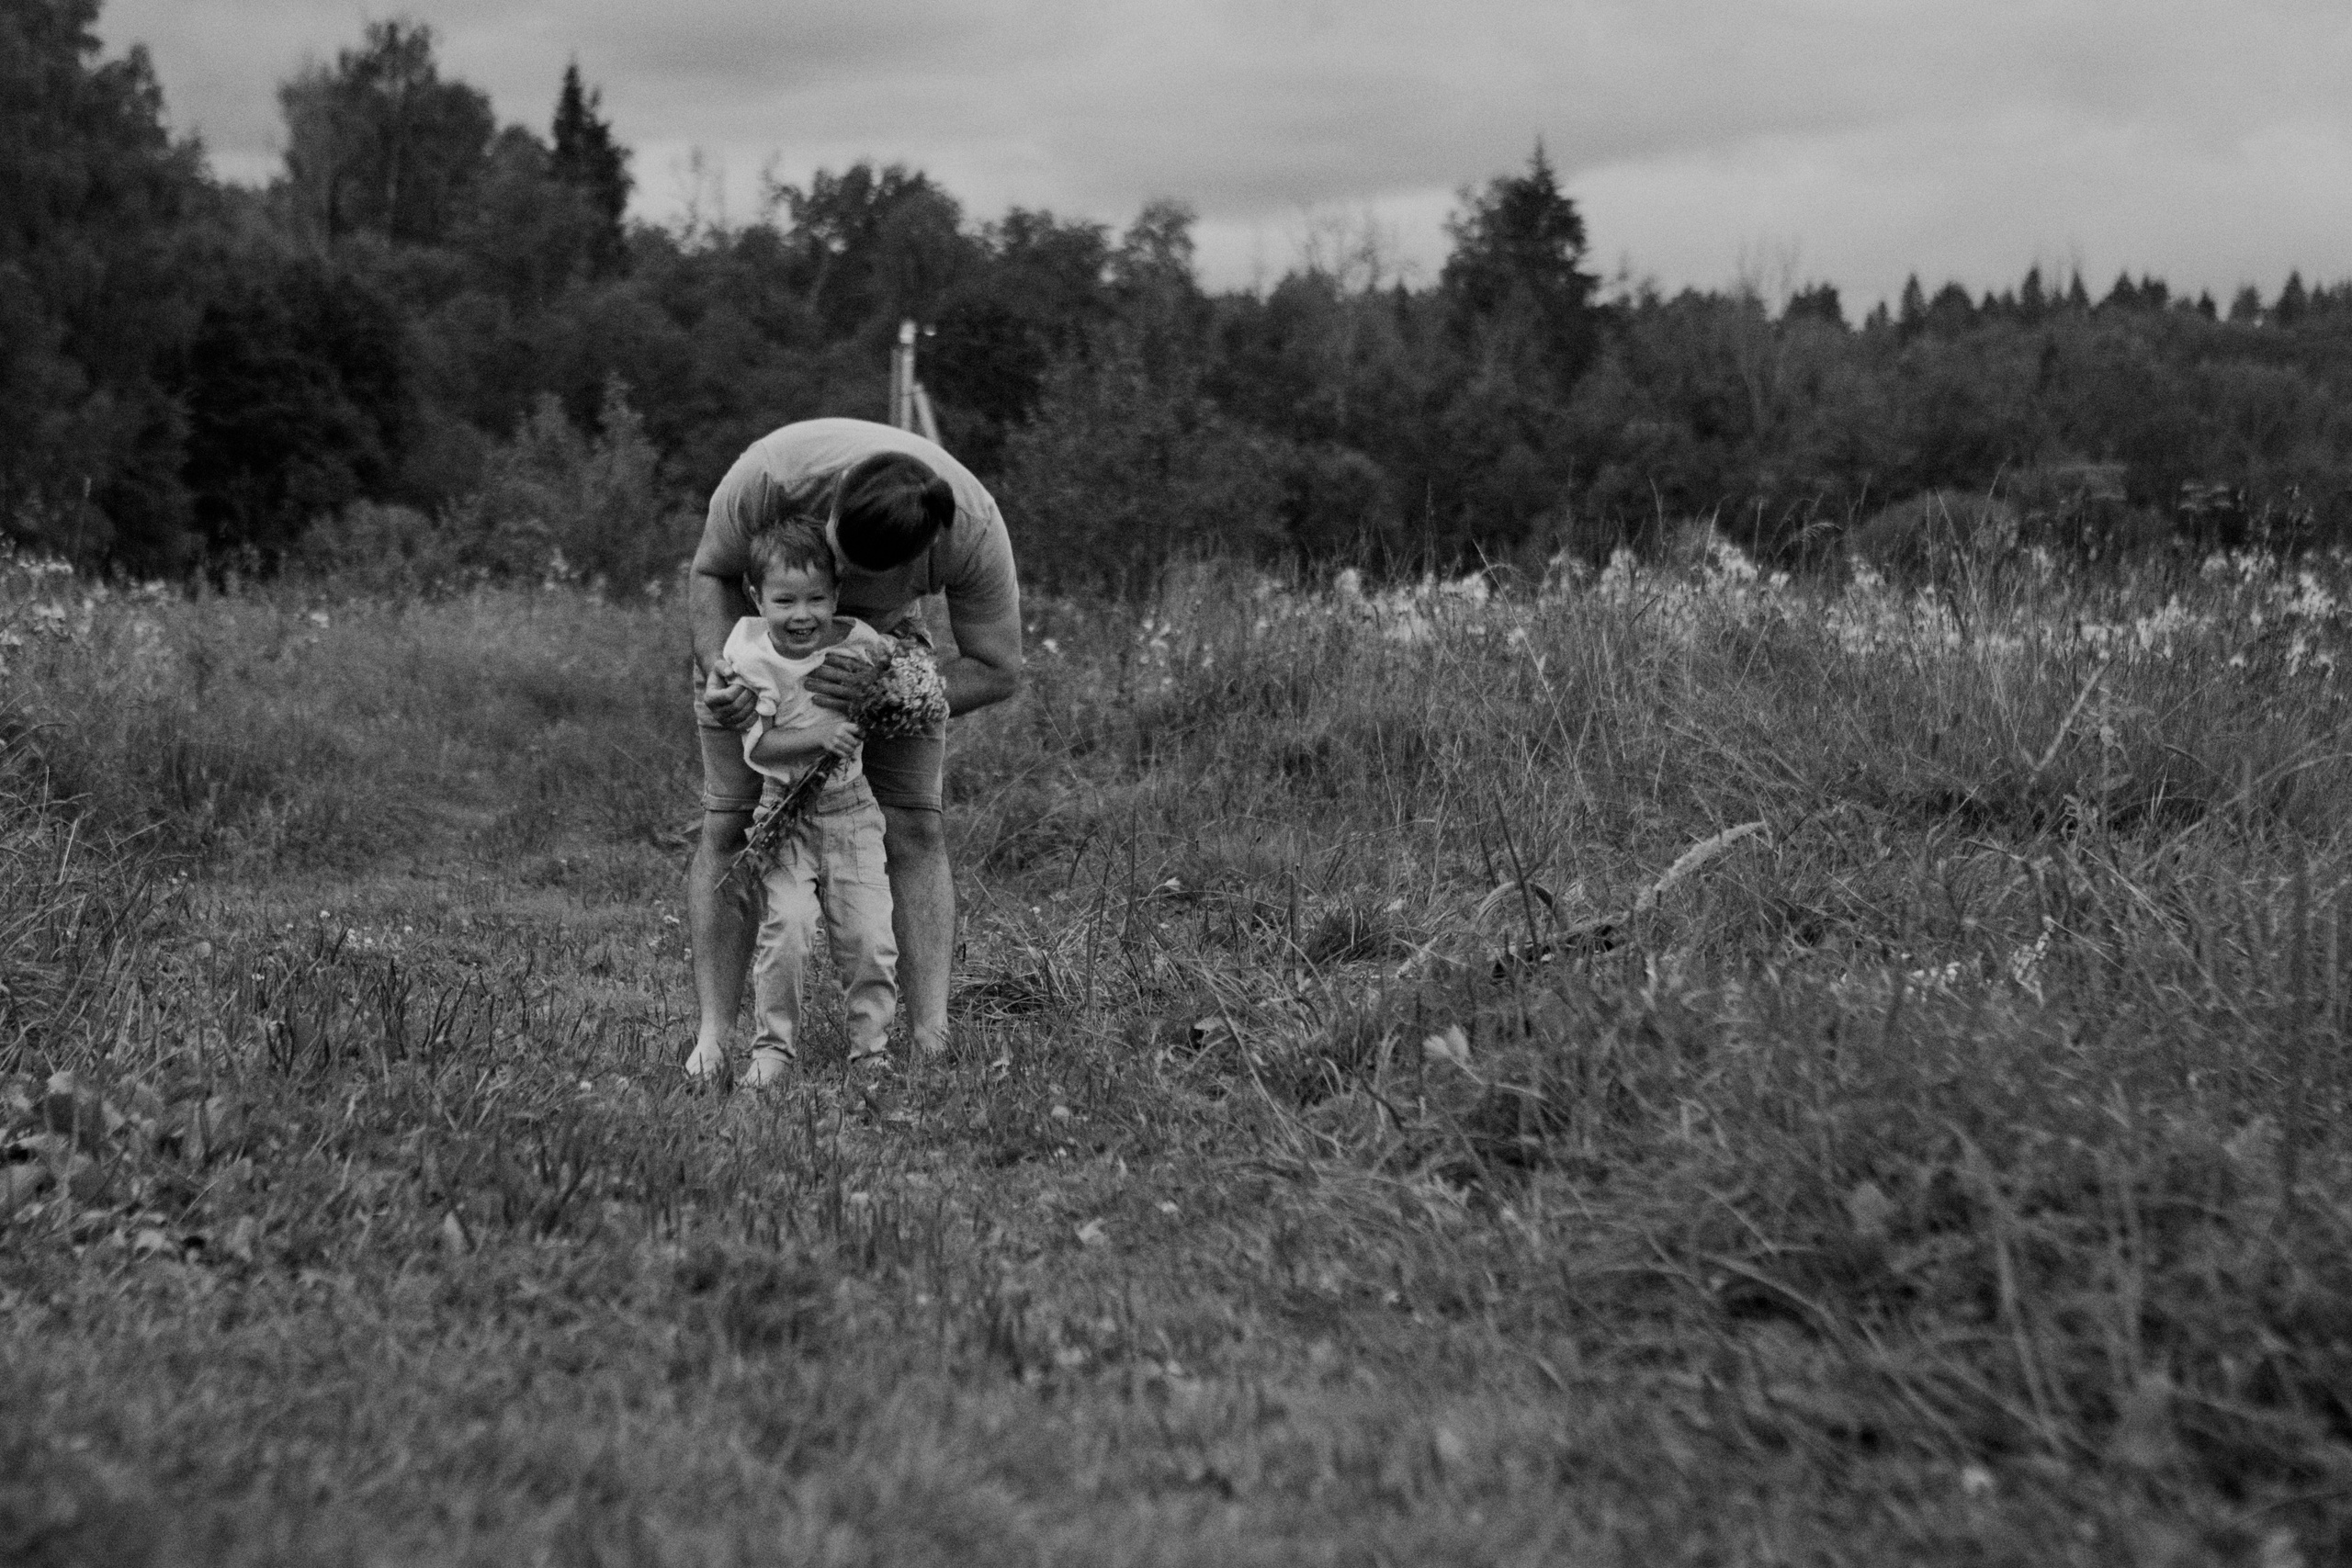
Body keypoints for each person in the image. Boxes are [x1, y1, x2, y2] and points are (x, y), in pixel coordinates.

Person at [686, 419, 1023, 1072]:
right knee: (729, 827)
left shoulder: (973, 527)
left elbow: (1000, 665)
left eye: (857, 574)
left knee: (915, 828)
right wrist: (719, 670)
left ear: (919, 556)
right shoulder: (771, 475)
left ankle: (930, 1039)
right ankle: (714, 1039)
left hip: (886, 652)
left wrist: (896, 690)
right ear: (832, 502)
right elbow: (712, 569)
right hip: (758, 647)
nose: (837, 576)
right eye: (836, 549)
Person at [686, 517, 899, 1088]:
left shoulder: (862, 645)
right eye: (784, 600)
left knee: (871, 937)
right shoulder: (751, 659)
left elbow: (892, 701)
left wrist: (888, 698)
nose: (802, 614)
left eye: (816, 599)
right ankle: (772, 1051)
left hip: (853, 814)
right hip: (784, 816)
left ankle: (871, 1051)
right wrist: (819, 739)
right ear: (757, 599)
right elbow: (763, 744)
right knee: (788, 931)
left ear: (836, 597)